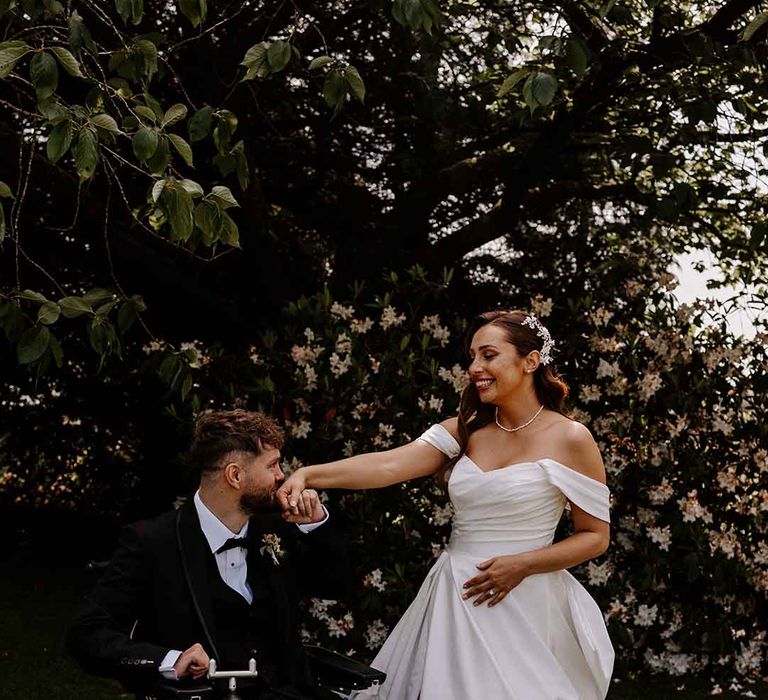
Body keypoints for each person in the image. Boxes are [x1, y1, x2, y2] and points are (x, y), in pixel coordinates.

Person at [277, 310, 614, 700]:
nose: (475, 368)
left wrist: (523, 564)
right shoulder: (465, 429)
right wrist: (310, 474)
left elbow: (595, 537)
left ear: (531, 361)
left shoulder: (571, 438)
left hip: (527, 601)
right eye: (472, 357)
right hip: (458, 596)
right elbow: (388, 464)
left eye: (488, 355)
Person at [67, 409, 351, 700]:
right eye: (273, 466)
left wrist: (317, 524)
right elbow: (86, 633)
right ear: (235, 475)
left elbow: (336, 585)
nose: (281, 477)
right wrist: (169, 659)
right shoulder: (152, 542)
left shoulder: (277, 528)